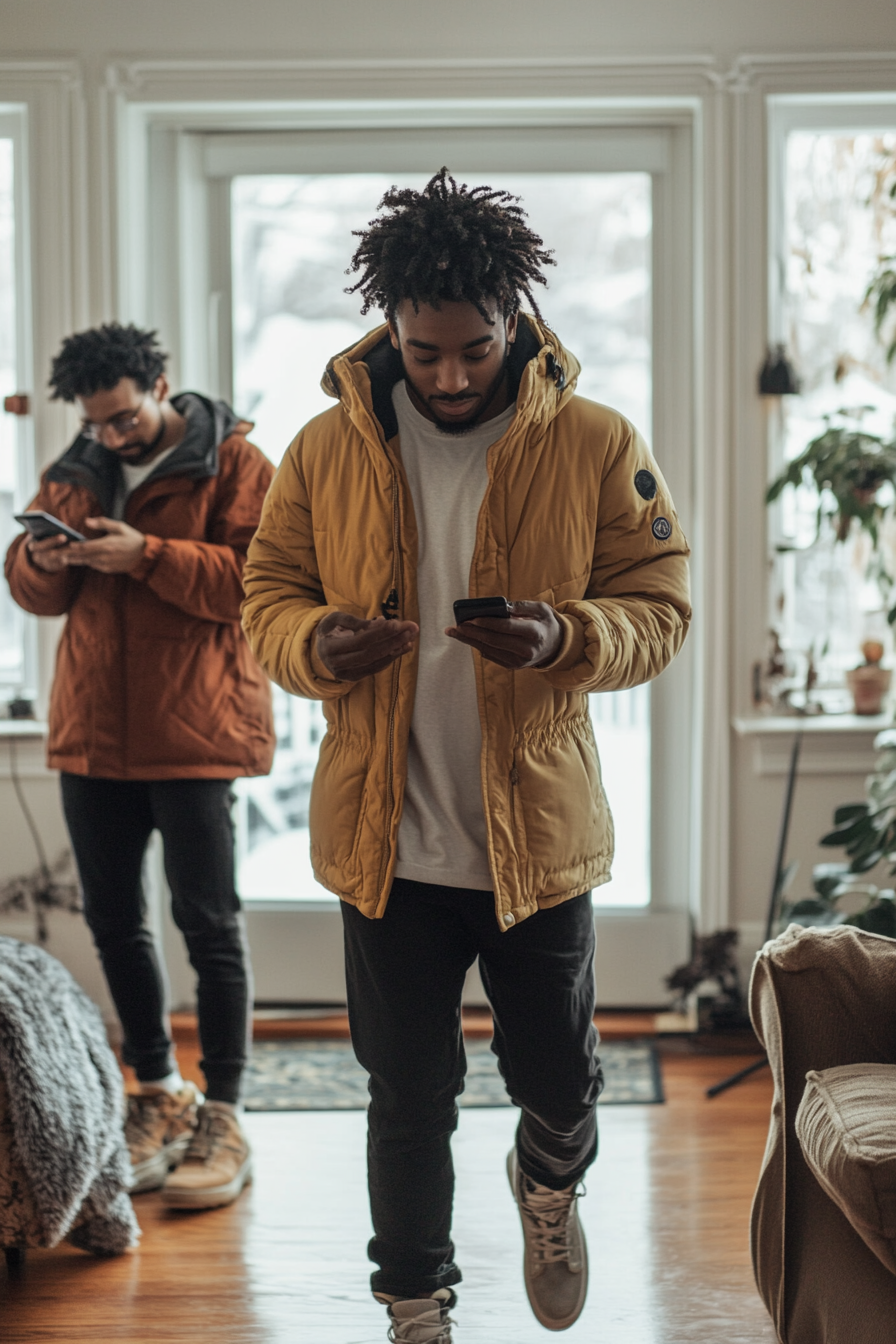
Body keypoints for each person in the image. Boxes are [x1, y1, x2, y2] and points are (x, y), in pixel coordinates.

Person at [241, 170, 691, 1339]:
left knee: (557, 1081)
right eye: (423, 350)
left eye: (474, 352)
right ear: (388, 327)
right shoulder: (322, 448)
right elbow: (266, 601)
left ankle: (548, 1185)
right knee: (407, 1096)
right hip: (384, 841)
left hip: (535, 840)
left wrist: (564, 633)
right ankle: (413, 1302)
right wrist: (315, 645)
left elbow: (660, 603)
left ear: (514, 323)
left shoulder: (595, 441)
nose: (447, 376)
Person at [4, 323, 275, 1210]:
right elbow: (33, 593)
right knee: (116, 923)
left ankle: (225, 1109)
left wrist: (146, 555)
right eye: (96, 424)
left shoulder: (235, 463)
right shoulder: (77, 465)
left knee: (209, 925)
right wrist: (40, 561)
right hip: (93, 733)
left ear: (160, 384)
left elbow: (257, 584)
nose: (110, 437)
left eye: (123, 419)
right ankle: (156, 1091)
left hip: (193, 730)